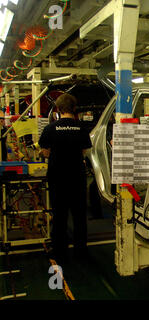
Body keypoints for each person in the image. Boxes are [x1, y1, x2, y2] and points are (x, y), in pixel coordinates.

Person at [39, 93, 92, 261]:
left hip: (57, 177)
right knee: (79, 216)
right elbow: (84, 152)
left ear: (58, 109)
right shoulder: (81, 129)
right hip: (77, 177)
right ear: (74, 109)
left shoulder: (49, 129)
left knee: (59, 215)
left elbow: (46, 153)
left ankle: (59, 251)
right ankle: (81, 251)